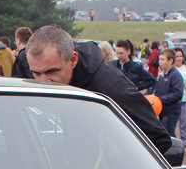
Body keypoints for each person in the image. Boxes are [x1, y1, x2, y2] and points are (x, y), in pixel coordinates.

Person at [25, 25, 173, 159]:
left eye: (52, 71)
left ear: (73, 60)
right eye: (36, 73)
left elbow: (158, 139)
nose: (43, 81)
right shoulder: (58, 84)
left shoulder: (109, 86)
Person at [153, 48, 184, 138]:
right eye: (159, 59)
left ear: (170, 61)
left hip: (171, 111)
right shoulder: (163, 74)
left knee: (168, 135)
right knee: (165, 133)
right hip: (163, 110)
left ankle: (175, 150)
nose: (160, 62)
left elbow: (178, 93)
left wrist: (160, 99)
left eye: (162, 59)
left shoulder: (175, 75)